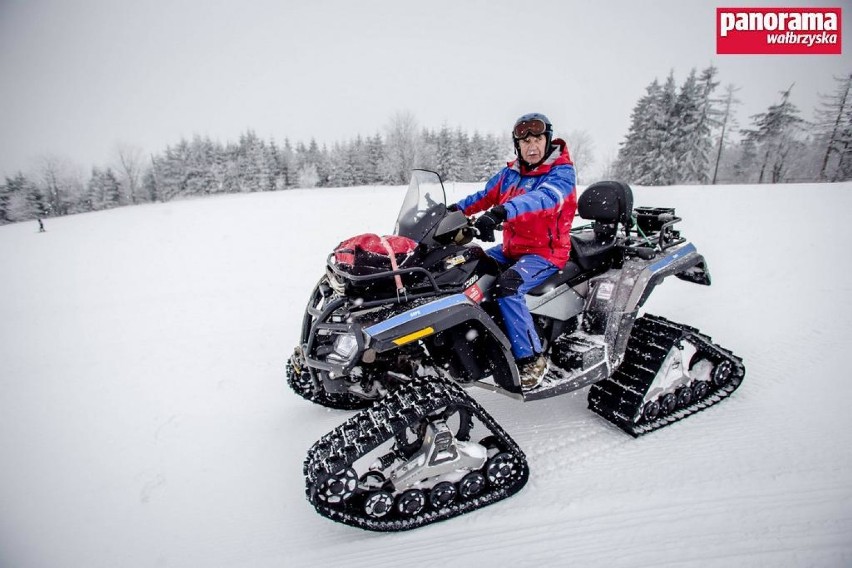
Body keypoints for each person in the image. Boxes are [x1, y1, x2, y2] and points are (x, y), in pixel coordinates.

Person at [450, 113, 577, 389]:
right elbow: (482, 197)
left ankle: (531, 358)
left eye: (538, 139)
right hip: (511, 248)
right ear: (517, 145)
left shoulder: (562, 173)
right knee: (466, 267)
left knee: (508, 286)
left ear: (548, 140)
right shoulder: (511, 174)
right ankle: (469, 342)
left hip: (546, 252)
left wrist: (501, 212)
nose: (532, 146)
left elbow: (542, 198)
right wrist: (452, 213)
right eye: (525, 141)